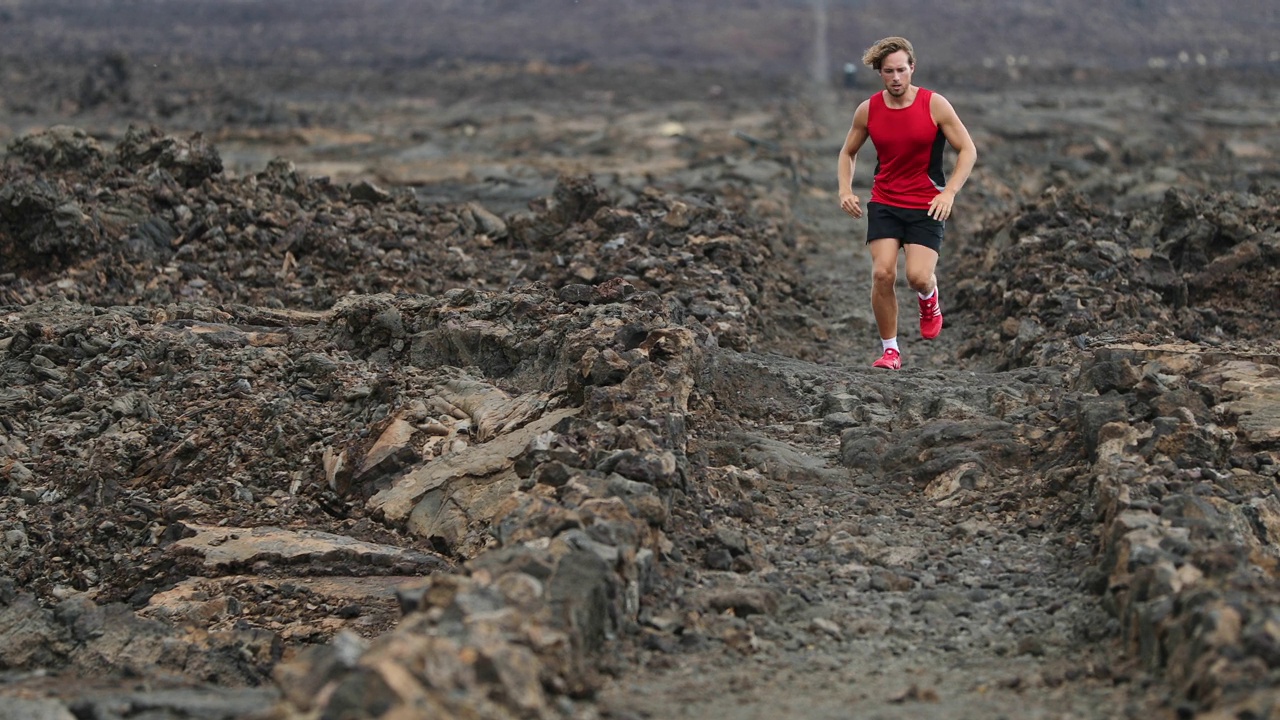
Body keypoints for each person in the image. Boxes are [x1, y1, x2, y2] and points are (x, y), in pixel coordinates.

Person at [837, 36, 977, 370]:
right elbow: (848, 152)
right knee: (883, 274)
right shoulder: (868, 109)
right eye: (889, 71)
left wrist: (949, 192)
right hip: (885, 201)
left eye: (902, 70)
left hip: (927, 204)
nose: (896, 77)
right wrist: (845, 189)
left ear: (912, 68)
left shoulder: (935, 104)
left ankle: (929, 298)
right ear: (880, 73)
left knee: (917, 277)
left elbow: (968, 150)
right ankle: (891, 350)